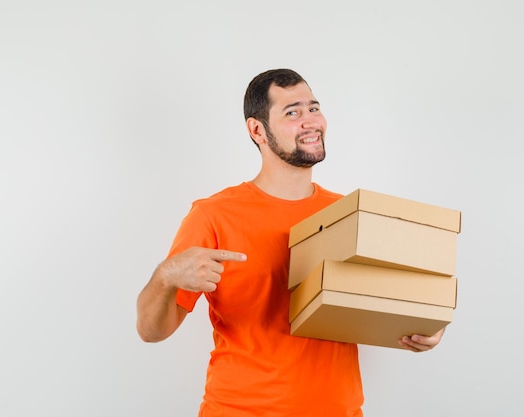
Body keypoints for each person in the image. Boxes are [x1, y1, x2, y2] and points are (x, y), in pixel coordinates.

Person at [136, 68, 445, 417]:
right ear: (257, 130)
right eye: (292, 112)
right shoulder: (213, 215)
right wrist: (165, 276)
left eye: (314, 108)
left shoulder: (347, 214)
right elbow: (150, 331)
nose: (311, 121)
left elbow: (383, 299)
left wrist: (423, 329)